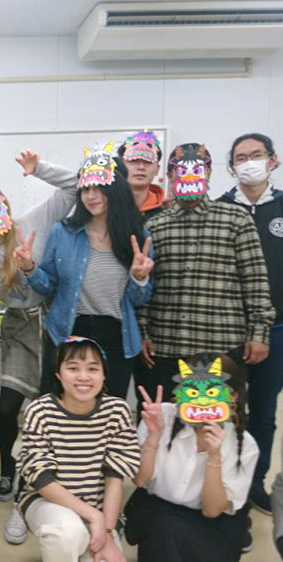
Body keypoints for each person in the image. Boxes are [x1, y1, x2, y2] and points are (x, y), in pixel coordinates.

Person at [0, 149, 78, 542]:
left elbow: (76, 186)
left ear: (8, 207)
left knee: (50, 409)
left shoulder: (34, 221)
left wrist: (39, 169)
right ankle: (6, 471)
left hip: (51, 322)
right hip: (16, 328)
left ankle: (48, 479)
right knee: (9, 408)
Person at [15, 143, 154, 400]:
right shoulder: (63, 231)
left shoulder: (137, 237)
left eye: (100, 188)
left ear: (116, 190)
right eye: (86, 189)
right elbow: (48, 286)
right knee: (58, 409)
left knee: (107, 413)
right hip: (68, 330)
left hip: (116, 336)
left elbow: (139, 300)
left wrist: (139, 277)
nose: (91, 196)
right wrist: (29, 268)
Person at [137, 143, 275, 401]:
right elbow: (148, 285)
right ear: (169, 176)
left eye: (198, 169)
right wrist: (143, 331)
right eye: (179, 170)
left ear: (209, 173)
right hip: (166, 346)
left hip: (221, 345)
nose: (188, 176)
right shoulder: (154, 226)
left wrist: (259, 333)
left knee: (222, 425)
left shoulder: (235, 219)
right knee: (165, 424)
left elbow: (255, 280)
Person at [18, 336, 141, 562]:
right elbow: (42, 479)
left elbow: (115, 478)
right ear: (58, 373)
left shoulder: (117, 411)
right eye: (73, 368)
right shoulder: (40, 410)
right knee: (67, 532)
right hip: (48, 502)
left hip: (101, 508)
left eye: (93, 368)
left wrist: (107, 533)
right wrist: (94, 516)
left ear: (103, 374)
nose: (83, 377)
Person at [125, 354, 259, 562]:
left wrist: (214, 457)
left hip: (211, 523)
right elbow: (140, 480)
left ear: (232, 397)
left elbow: (212, 511)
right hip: (157, 513)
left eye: (213, 391)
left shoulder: (245, 445)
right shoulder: (160, 416)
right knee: (166, 529)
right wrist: (153, 437)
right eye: (192, 391)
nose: (203, 400)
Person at [217, 133, 283, 515]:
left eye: (256, 155)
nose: (249, 162)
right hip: (228, 327)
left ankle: (255, 482)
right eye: (241, 157)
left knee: (263, 410)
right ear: (231, 167)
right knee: (225, 407)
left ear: (272, 160)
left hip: (277, 329)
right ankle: (224, 478)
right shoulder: (222, 208)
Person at [116, 129, 166, 218]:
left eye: (148, 161)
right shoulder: (106, 209)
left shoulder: (165, 211)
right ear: (121, 166)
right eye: (133, 160)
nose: (141, 167)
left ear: (157, 169)